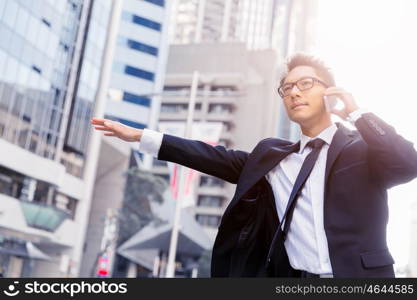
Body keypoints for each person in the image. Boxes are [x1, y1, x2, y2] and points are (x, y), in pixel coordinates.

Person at [91, 54, 417, 278]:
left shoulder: (363, 149)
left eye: (305, 84)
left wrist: (358, 115)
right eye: (287, 88)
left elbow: (407, 164)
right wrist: (142, 136)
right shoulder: (274, 158)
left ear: (329, 92)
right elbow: (210, 156)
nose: (294, 93)